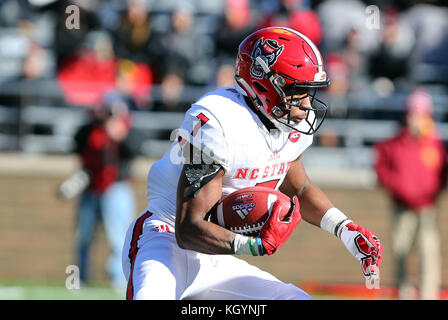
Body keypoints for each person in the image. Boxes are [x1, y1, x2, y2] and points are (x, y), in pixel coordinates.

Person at [122, 27, 382, 300]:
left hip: (215, 257)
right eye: (298, 90)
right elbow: (189, 228)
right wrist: (253, 246)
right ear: (265, 83)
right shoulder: (216, 120)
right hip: (166, 239)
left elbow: (300, 188)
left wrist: (345, 229)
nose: (306, 104)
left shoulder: (287, 125)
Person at [374, 88, 447, 300]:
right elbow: (382, 169)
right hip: (402, 208)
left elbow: (442, 175)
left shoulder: (435, 145)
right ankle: (403, 294)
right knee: (400, 253)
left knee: (429, 254)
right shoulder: (396, 143)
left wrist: (431, 195)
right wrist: (400, 190)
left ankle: (428, 295)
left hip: (427, 210)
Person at [73, 95, 138, 290]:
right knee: (83, 236)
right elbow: (77, 143)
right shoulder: (89, 129)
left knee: (119, 236)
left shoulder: (126, 130)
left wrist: (120, 133)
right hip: (91, 188)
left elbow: (134, 150)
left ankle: (119, 279)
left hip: (116, 188)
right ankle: (79, 279)